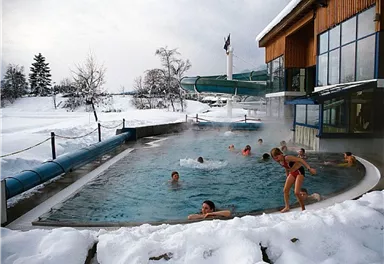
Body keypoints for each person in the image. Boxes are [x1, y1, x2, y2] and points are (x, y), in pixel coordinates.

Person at [270, 148, 317, 212]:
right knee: (285, 190)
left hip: (299, 172)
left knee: (297, 192)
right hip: (292, 173)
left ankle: (303, 209)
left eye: (277, 157)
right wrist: (287, 176)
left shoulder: (287, 158)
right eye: (274, 158)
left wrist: (309, 169)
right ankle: (287, 207)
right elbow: (286, 168)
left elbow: (300, 160)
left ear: (280, 154)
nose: (276, 159)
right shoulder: (280, 161)